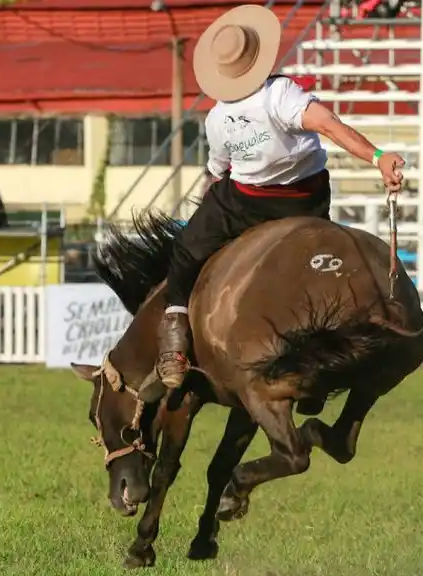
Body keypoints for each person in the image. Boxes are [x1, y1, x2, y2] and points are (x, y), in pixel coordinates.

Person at [154, 5, 406, 393]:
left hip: (243, 202)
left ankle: (175, 336)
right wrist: (377, 157)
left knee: (186, 251)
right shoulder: (280, 94)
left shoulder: (217, 119)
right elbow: (329, 125)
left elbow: (219, 169)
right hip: (305, 201)